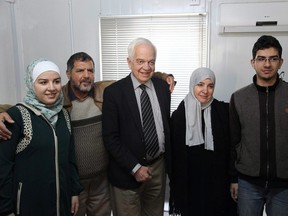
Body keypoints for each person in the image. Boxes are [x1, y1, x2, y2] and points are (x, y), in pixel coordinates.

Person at [0, 52, 175, 216]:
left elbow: (137, 76)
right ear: (68, 74)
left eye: (90, 70)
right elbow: (22, 110)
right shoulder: (58, 100)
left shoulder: (105, 91)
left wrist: (163, 76)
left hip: (101, 181)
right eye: (79, 71)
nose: (86, 75)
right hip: (72, 184)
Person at [0, 58, 82, 216]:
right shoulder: (15, 116)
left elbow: (70, 158)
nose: (51, 88)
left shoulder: (63, 114)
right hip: (28, 206)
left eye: (56, 81)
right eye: (43, 82)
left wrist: (74, 191)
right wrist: (5, 209)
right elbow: (3, 167)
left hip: (62, 202)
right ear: (32, 84)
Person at [102, 37, 171, 216]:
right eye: (140, 61)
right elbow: (110, 137)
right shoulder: (114, 93)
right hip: (127, 172)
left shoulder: (163, 88)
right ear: (129, 62)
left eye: (151, 62)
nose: (146, 67)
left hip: (157, 168)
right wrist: (135, 167)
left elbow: (165, 126)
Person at [229, 35, 288, 216]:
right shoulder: (239, 98)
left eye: (273, 58)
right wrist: (233, 179)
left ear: (281, 62)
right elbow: (233, 141)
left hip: (284, 186)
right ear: (252, 62)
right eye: (261, 59)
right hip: (248, 184)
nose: (267, 64)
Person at [168, 67, 237, 216]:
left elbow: (232, 147)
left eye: (210, 86)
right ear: (192, 85)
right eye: (200, 84)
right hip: (190, 184)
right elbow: (173, 155)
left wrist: (233, 178)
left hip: (217, 184)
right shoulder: (179, 115)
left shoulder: (224, 111)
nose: (205, 90)